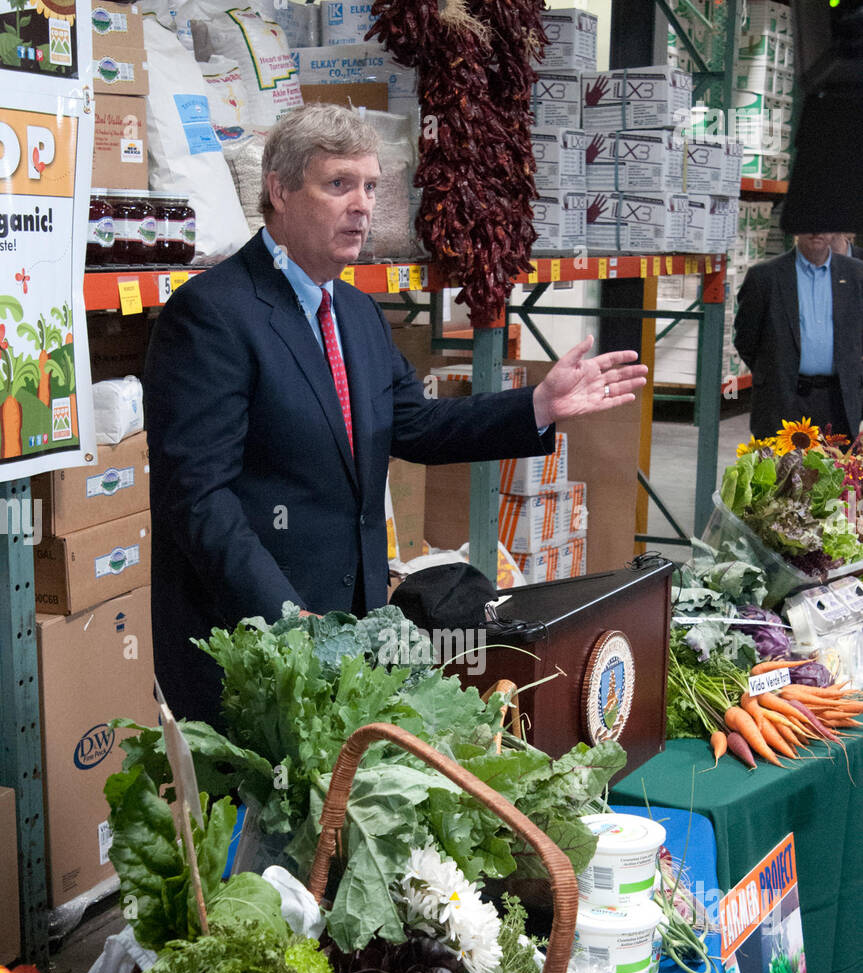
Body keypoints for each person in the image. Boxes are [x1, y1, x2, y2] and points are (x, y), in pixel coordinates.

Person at [144, 104, 648, 726]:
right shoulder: (212, 316)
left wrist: (537, 406)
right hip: (248, 640)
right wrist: (283, 615)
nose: (362, 205)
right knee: (252, 819)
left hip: (345, 631)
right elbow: (197, 497)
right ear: (278, 191)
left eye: (371, 186)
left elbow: (414, 424)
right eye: (339, 185)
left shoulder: (356, 314)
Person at [733, 232, 863, 445]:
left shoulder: (856, 275)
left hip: (839, 403)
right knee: (780, 476)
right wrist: (775, 373)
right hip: (782, 401)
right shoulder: (764, 277)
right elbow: (746, 340)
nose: (816, 231)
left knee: (837, 474)